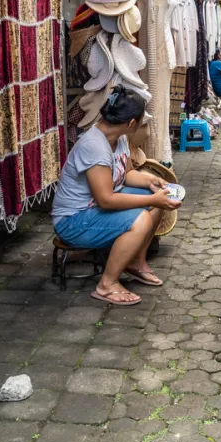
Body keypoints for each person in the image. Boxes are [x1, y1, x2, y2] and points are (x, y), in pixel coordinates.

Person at [52, 87, 182, 305]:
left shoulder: (118, 137)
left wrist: (154, 182)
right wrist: (151, 200)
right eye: (140, 120)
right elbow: (106, 200)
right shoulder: (94, 146)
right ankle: (107, 284)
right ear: (131, 123)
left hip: (94, 209)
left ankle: (135, 262)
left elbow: (128, 174)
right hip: (73, 221)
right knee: (141, 219)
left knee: (159, 195)